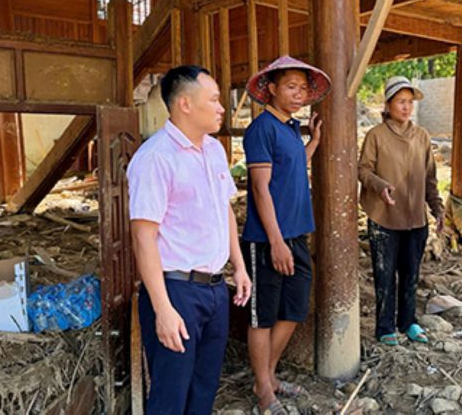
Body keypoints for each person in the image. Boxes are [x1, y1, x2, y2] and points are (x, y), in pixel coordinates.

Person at [127, 65, 251, 414]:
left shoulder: (213, 150)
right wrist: (163, 309)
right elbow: (143, 238)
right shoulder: (155, 158)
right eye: (213, 99)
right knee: (170, 395)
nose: (221, 107)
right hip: (176, 291)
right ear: (184, 104)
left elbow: (223, 209)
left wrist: (238, 267)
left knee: (204, 388)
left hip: (214, 290)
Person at [241, 56, 331, 415]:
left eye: (303, 88)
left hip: (296, 235)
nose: (299, 94)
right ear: (272, 89)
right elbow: (261, 190)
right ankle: (264, 389)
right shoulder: (261, 129)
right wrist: (276, 242)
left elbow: (292, 167)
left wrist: (314, 141)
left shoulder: (291, 128)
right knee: (262, 316)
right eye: (291, 86)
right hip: (267, 240)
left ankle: (267, 375)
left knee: (293, 311)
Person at [358, 76, 445, 346]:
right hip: (384, 218)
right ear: (388, 104)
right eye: (400, 102)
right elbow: (362, 170)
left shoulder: (422, 136)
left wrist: (437, 208)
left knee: (411, 275)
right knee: (385, 276)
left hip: (416, 219)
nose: (406, 107)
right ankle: (385, 327)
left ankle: (409, 322)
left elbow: (430, 176)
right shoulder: (376, 136)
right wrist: (380, 185)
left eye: (409, 102)